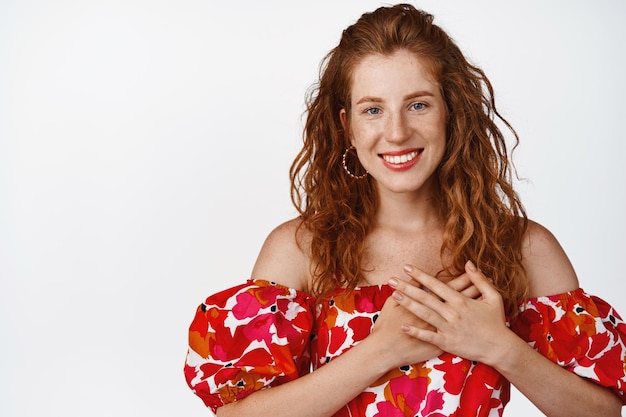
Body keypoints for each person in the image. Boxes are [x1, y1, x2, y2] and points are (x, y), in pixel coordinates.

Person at [184, 4, 626, 416]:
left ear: (451, 113)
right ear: (347, 126)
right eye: (372, 109)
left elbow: (603, 411)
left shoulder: (525, 247)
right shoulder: (301, 248)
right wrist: (385, 348)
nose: (396, 132)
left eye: (418, 104)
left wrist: (498, 346)